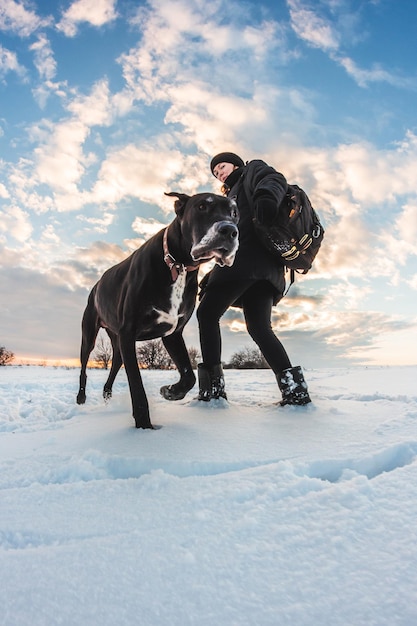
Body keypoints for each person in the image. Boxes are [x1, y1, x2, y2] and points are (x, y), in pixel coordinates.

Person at [196, 151, 311, 406]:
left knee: (206, 314)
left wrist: (266, 197)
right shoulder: (230, 196)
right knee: (259, 328)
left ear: (235, 164)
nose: (219, 173)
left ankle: (213, 393)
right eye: (215, 173)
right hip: (263, 270)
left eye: (222, 167)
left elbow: (273, 179)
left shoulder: (251, 171)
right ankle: (295, 392)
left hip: (247, 262)